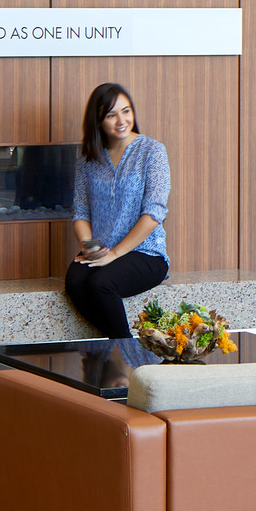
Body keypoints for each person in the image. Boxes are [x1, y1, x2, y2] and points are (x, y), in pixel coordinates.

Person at [64, 82, 170, 339]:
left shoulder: (152, 151)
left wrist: (115, 255)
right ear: (98, 121)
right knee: (75, 282)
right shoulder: (88, 159)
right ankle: (113, 346)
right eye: (111, 115)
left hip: (145, 252)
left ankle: (124, 354)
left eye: (126, 111)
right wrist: (90, 247)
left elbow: (154, 213)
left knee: (102, 284)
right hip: (102, 248)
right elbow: (81, 211)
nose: (121, 120)